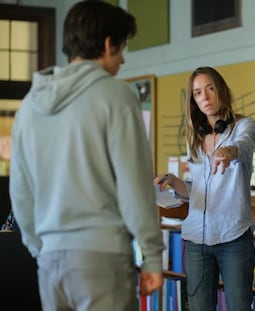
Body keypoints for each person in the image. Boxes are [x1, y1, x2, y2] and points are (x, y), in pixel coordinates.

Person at [9, 1, 164, 311]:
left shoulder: (29, 106)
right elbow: (135, 187)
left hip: (50, 263)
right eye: (121, 48)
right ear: (107, 44)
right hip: (102, 259)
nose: (122, 59)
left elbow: (21, 193)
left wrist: (42, 248)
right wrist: (152, 256)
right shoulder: (116, 96)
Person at [154, 66, 255, 311]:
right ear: (194, 100)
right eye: (198, 93)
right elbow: (198, 190)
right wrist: (172, 180)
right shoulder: (195, 139)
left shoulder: (244, 126)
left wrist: (228, 151)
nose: (205, 97)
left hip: (233, 237)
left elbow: (242, 146)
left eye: (210, 89)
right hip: (197, 241)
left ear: (220, 90)